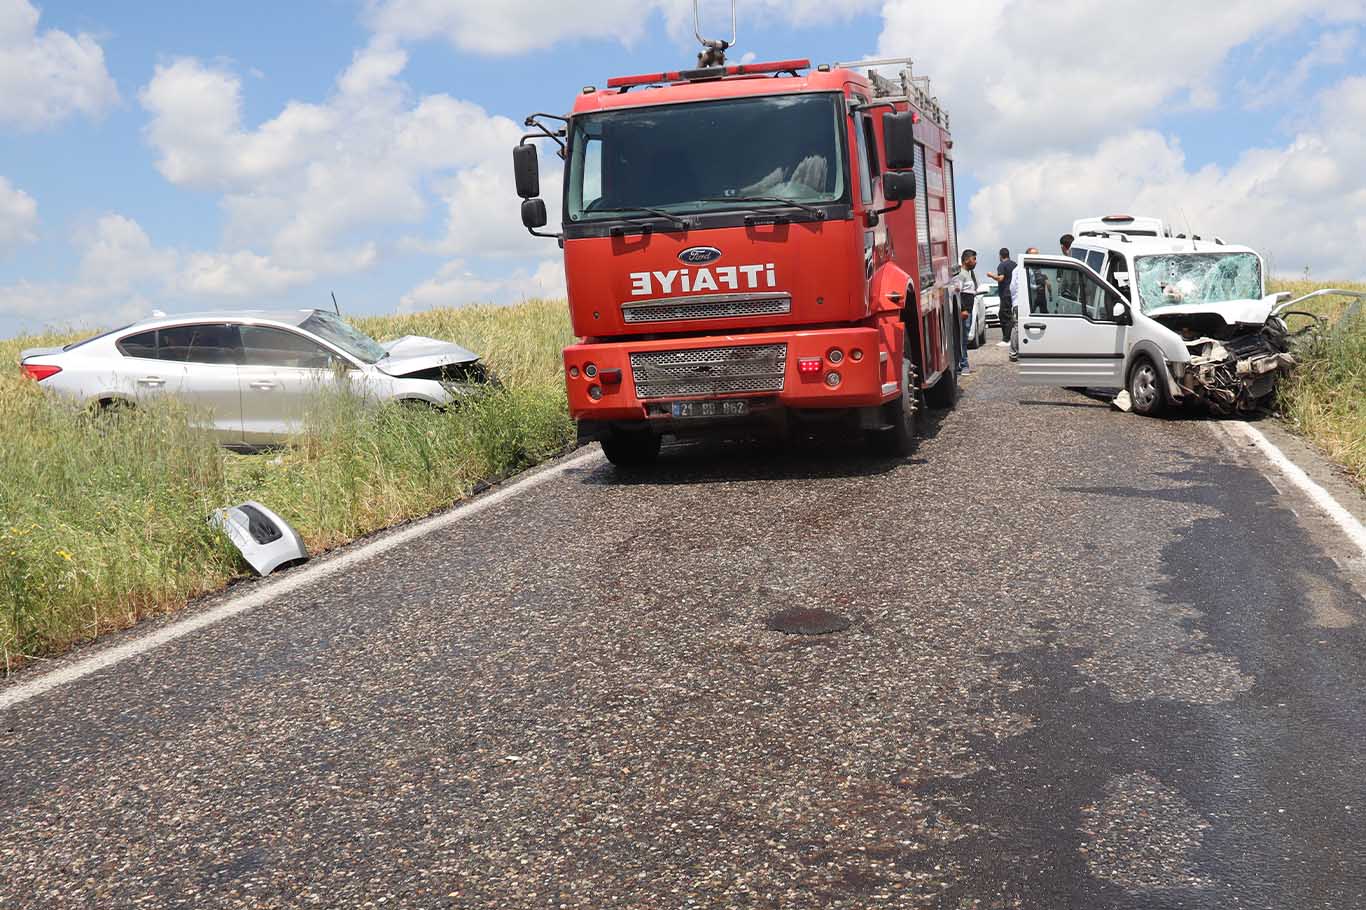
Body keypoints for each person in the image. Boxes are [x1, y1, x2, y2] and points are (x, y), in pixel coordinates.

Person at [954, 249, 978, 373]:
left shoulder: (968, 274)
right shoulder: (961, 274)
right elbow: (957, 292)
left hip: (968, 312)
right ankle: (963, 365)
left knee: (964, 338)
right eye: (974, 259)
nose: (975, 262)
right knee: (962, 339)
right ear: (967, 260)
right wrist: (963, 309)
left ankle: (962, 363)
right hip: (964, 313)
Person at [987, 248, 1016, 346]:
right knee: (1007, 314)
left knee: (1004, 315)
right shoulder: (1014, 264)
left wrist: (991, 275)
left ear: (1000, 256)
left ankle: (1006, 339)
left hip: (1005, 293)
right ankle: (1010, 337)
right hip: (1013, 293)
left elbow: (1000, 278)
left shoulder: (1002, 265)